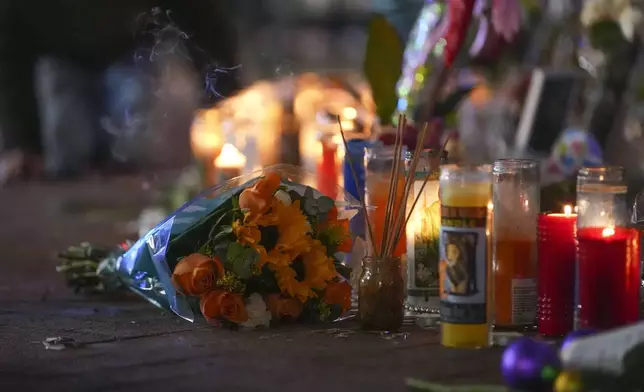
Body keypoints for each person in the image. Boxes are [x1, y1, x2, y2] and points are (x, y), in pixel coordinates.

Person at [0, 0, 240, 182]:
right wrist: (22, 143)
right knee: (68, 152)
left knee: (132, 146)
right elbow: (11, 59)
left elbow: (199, 19)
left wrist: (222, 100)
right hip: (61, 59)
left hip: (128, 50)